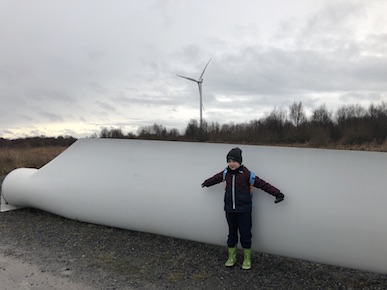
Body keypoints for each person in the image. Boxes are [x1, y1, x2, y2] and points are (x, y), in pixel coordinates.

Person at [201, 147, 284, 270]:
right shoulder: (226, 173)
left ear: (240, 161)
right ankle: (232, 257)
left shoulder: (247, 174)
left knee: (245, 235)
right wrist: (207, 182)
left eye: (234, 161)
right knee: (232, 234)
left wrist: (277, 193)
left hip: (244, 211)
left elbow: (263, 185)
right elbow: (215, 178)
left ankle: (247, 259)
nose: (231, 164)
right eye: (229, 161)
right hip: (230, 210)